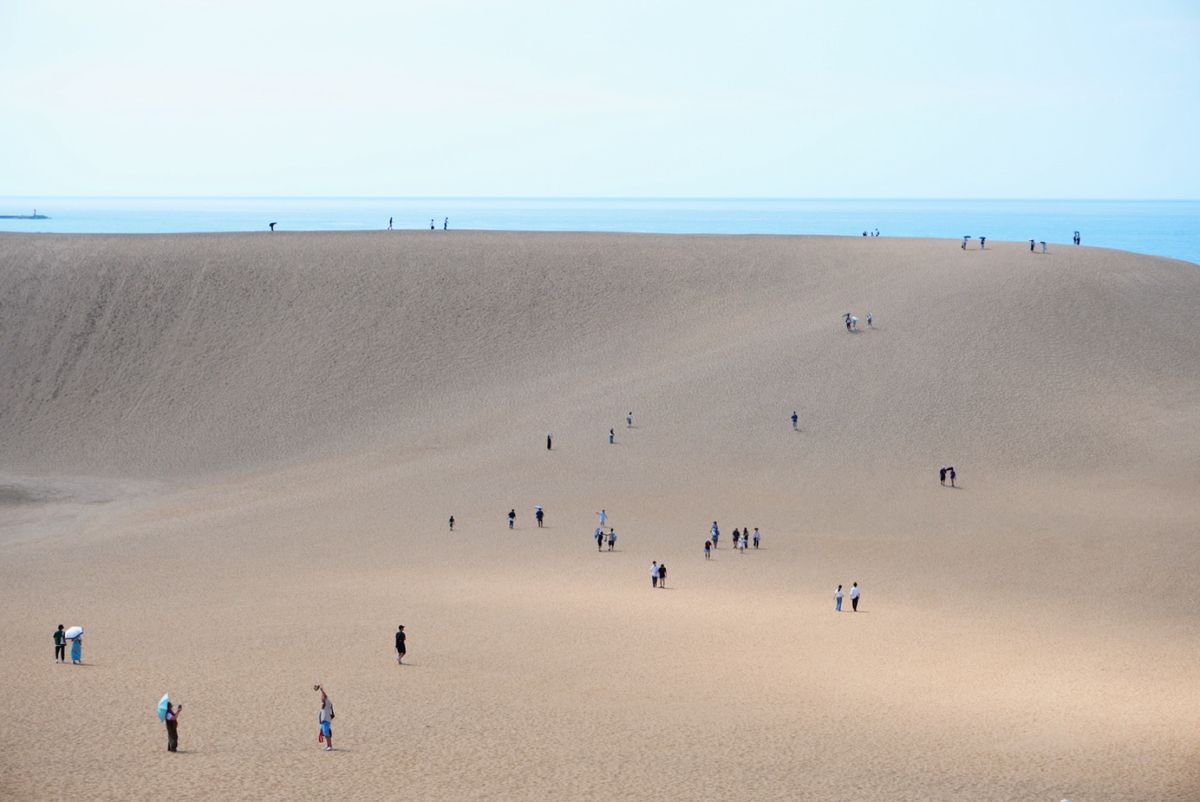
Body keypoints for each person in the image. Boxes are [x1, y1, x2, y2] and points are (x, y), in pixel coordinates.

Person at [315, 684, 334, 751]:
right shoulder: (323, 705)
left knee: (327, 733)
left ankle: (330, 746)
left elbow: (325, 696)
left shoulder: (328, 702)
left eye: (322, 697)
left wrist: (322, 690)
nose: (321, 698)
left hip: (326, 721)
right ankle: (328, 745)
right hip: (323, 721)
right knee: (325, 733)